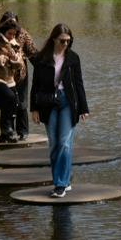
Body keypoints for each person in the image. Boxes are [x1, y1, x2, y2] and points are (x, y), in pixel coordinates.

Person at [29, 24, 90, 198]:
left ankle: (60, 184)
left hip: (68, 102)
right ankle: (64, 180)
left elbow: (79, 84)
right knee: (55, 143)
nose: (65, 44)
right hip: (48, 103)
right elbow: (35, 85)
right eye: (62, 41)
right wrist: (34, 109)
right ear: (54, 39)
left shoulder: (73, 58)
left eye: (68, 41)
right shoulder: (42, 58)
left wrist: (83, 108)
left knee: (64, 142)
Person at [0, 10, 37, 142]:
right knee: (6, 104)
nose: (11, 25)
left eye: (13, 22)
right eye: (7, 22)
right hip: (2, 75)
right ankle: (7, 132)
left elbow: (33, 53)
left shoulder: (23, 34)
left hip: (20, 74)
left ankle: (23, 131)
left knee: (21, 103)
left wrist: (43, 68)